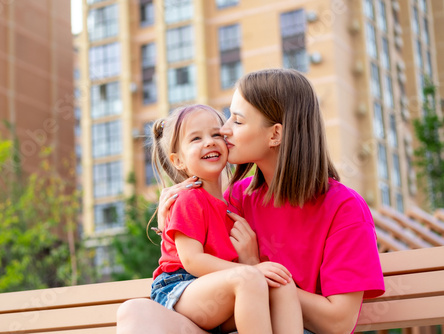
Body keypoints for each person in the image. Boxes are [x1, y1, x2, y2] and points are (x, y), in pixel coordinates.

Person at [117, 69, 385, 334]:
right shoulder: (236, 197)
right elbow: (195, 266)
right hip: (227, 321)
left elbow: (338, 322)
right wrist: (170, 225)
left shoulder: (344, 208)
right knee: (135, 312)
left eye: (237, 121)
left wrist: (254, 268)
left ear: (275, 135)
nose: (224, 130)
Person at [145, 104, 303, 334]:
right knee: (249, 278)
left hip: (218, 297)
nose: (209, 142)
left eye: (216, 134)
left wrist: (253, 271)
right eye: (196, 138)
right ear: (178, 160)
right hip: (179, 291)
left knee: (282, 284)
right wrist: (253, 271)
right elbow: (192, 261)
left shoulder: (230, 208)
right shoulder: (189, 199)